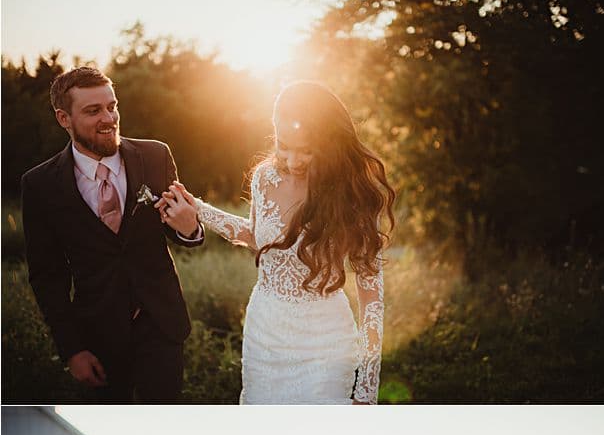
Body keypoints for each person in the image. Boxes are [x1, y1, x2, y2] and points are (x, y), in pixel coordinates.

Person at [163, 80, 395, 404]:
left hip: (325, 342)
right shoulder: (264, 177)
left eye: (306, 149)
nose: (292, 159)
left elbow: (372, 298)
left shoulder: (352, 192)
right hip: (265, 332)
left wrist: (368, 388)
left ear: (329, 143)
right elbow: (259, 238)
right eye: (284, 145)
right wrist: (200, 209)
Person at [20, 66, 204, 403]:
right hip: (97, 335)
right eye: (93, 111)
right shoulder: (40, 185)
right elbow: (48, 276)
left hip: (161, 325)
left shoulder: (155, 156)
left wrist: (190, 228)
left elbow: (182, 229)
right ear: (64, 118)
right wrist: (72, 350)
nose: (109, 118)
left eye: (112, 106)